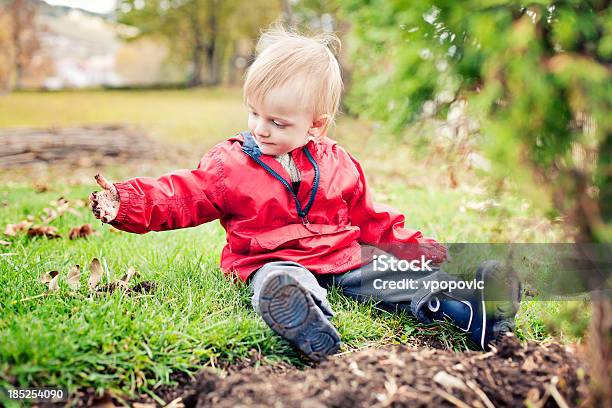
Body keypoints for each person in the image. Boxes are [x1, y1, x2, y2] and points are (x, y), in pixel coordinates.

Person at [90, 25, 520, 361]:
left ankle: (469, 308)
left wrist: (420, 251)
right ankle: (303, 319)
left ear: (316, 125)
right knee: (280, 281)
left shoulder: (339, 163)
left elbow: (373, 220)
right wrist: (127, 202)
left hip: (340, 256)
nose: (260, 128)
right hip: (270, 258)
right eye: (254, 113)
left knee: (392, 273)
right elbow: (183, 194)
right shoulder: (230, 163)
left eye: (277, 122)